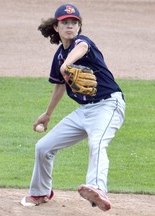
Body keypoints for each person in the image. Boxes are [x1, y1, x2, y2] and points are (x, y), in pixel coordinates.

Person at [20, 4, 125, 212]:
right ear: (57, 27)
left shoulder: (83, 43)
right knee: (43, 147)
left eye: (74, 22)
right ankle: (41, 192)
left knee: (97, 143)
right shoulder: (59, 55)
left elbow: (81, 49)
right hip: (85, 111)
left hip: (108, 105)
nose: (70, 26)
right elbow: (60, 86)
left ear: (79, 27)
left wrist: (67, 65)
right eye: (65, 22)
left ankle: (97, 189)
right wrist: (47, 114)